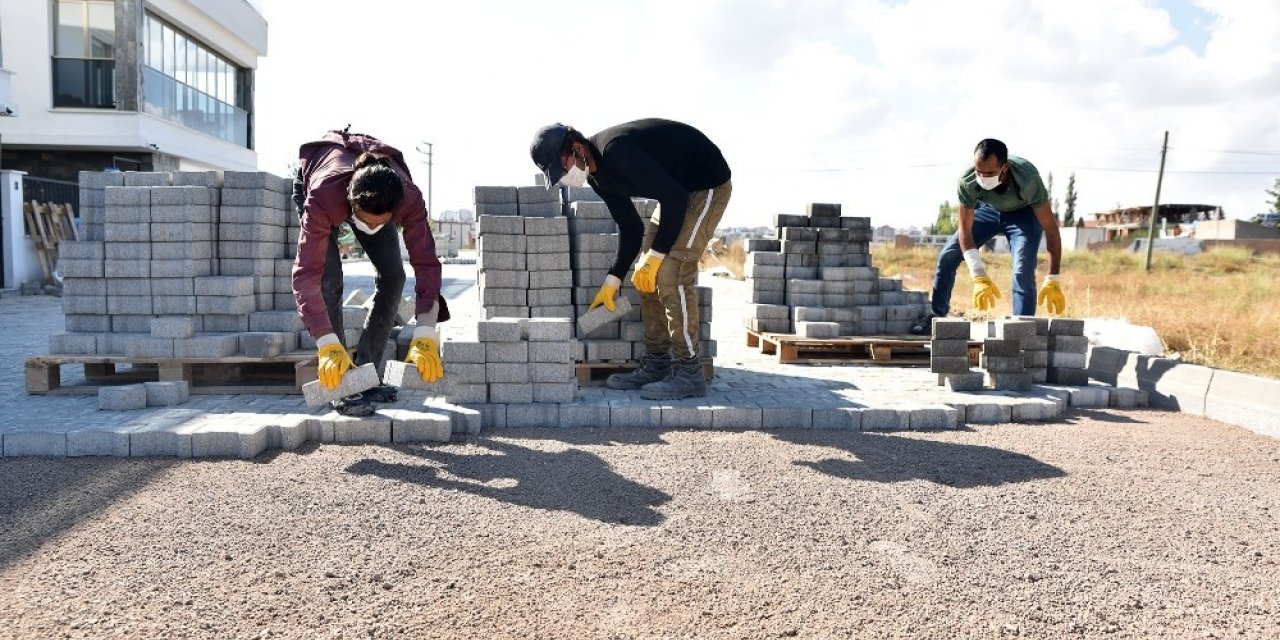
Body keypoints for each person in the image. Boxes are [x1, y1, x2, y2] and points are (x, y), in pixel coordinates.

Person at [530, 119, 731, 400]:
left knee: (670, 274)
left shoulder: (617, 153)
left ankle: (690, 373)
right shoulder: (597, 177)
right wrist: (612, 281)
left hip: (705, 185)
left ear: (576, 147)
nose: (564, 175)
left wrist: (656, 256)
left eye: (561, 167)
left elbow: (674, 198)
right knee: (643, 278)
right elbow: (631, 228)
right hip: (676, 191)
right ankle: (657, 363)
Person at [293, 129, 449, 416]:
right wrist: (326, 343)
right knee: (329, 282)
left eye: (382, 223)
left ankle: (365, 375)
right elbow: (306, 275)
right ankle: (341, 382)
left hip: (376, 190)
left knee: (394, 276)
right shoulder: (323, 199)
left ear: (394, 211)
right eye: (367, 222)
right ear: (351, 206)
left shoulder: (407, 199)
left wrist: (426, 331)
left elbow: (426, 263)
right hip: (319, 180)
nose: (374, 229)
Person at [912, 138, 1066, 334]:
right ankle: (936, 315)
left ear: (1005, 167)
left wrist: (1053, 277)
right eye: (979, 172)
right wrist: (978, 275)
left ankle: (1021, 329)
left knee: (1023, 270)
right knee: (947, 256)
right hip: (987, 211)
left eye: (990, 173)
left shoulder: (1027, 179)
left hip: (1023, 214)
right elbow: (965, 231)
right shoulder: (967, 181)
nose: (983, 178)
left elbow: (1051, 230)